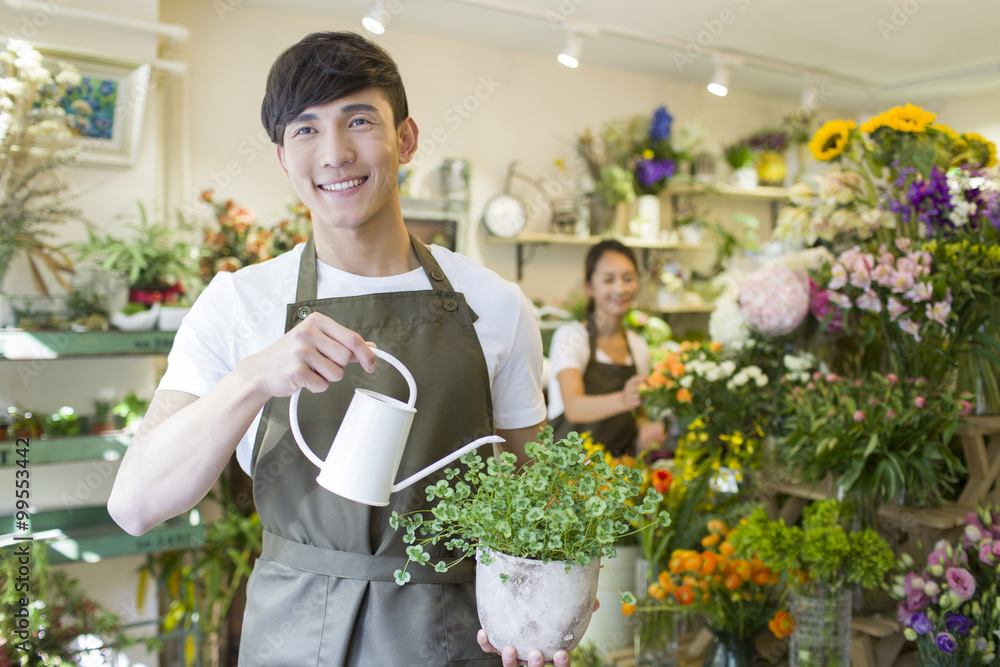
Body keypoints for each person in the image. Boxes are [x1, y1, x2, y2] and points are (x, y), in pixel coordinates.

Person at [107, 31, 564, 667]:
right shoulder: (239, 304)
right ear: (282, 157)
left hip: (452, 640)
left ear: (404, 138)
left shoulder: (497, 303)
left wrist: (548, 604)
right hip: (291, 640)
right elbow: (135, 505)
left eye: (358, 120)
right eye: (306, 129)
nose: (335, 153)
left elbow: (534, 496)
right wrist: (253, 379)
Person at [547, 240, 664, 455]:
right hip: (566, 475)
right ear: (589, 286)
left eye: (628, 278)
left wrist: (646, 426)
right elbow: (574, 407)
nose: (620, 288)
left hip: (617, 475)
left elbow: (637, 412)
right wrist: (624, 399)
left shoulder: (638, 347)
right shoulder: (571, 337)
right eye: (608, 280)